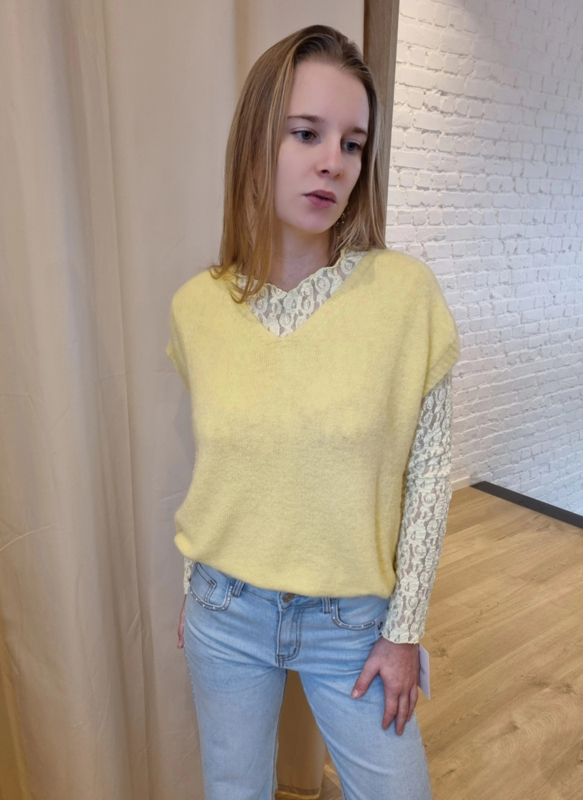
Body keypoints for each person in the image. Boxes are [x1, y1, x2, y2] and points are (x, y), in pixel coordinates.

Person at [166, 24, 459, 800]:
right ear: (256, 142)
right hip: (225, 609)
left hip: (354, 623)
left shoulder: (405, 298)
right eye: (306, 133)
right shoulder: (196, 308)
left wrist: (403, 632)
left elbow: (428, 480)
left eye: (352, 144)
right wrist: (195, 590)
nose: (333, 161)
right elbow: (223, 465)